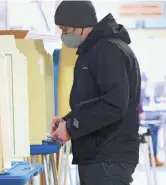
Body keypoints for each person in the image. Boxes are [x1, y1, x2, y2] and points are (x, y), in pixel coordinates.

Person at [50, 1, 141, 185]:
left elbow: (113, 105)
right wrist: (68, 121)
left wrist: (71, 128)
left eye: (65, 29)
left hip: (108, 157)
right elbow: (94, 101)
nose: (63, 34)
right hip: (101, 156)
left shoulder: (107, 50)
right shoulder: (94, 50)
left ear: (79, 24)